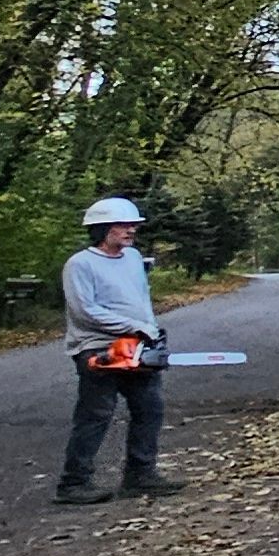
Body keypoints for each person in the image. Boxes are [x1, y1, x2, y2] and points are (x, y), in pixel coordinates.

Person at [59, 196, 180, 505]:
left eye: (133, 225)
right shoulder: (80, 264)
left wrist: (150, 331)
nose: (131, 230)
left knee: (149, 408)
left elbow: (140, 300)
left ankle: (141, 474)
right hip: (97, 349)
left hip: (136, 345)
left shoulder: (132, 258)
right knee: (95, 414)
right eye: (123, 225)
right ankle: (74, 483)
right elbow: (85, 310)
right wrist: (131, 326)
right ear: (102, 229)